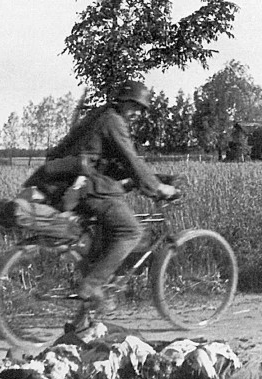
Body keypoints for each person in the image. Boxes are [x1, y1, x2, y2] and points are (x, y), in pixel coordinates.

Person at [23, 80, 177, 316]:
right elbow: (131, 160)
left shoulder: (100, 115)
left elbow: (110, 160)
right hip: (85, 185)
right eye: (134, 107)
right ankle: (92, 285)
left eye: (141, 109)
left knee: (102, 238)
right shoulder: (113, 121)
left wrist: (150, 178)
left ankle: (91, 306)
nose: (137, 113)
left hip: (68, 182)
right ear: (123, 102)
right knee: (130, 232)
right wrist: (157, 188)